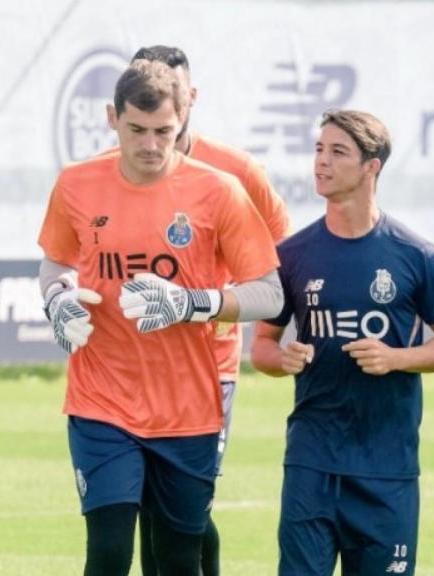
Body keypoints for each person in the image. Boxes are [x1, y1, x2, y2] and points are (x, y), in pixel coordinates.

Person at [37, 59, 283, 576]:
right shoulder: (77, 184)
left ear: (183, 120)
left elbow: (269, 294)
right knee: (107, 553)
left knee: (176, 560)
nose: (151, 145)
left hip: (187, 407)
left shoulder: (219, 191)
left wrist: (197, 303)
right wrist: (57, 300)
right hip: (100, 399)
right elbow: (57, 263)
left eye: (164, 132)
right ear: (112, 118)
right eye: (137, 130)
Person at [250, 109, 434, 576]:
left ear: (372, 167)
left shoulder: (414, 254)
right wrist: (281, 357)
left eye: (337, 152)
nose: (321, 163)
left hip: (387, 468)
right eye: (318, 150)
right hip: (313, 460)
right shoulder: (293, 254)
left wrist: (397, 358)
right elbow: (262, 347)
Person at [129, 44, 291, 576]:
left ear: (190, 96)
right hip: (129, 363)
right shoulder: (117, 169)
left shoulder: (236, 171)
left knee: (188, 502)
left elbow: (280, 256)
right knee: (149, 499)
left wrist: (267, 331)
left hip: (207, 362)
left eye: (175, 90)